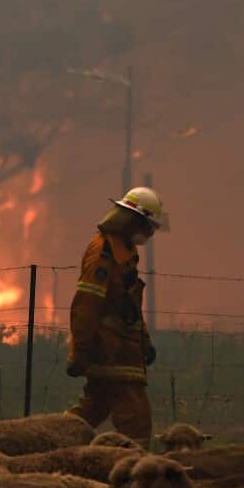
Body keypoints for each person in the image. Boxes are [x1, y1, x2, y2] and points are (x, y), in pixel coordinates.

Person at [65, 186, 163, 447]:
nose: (149, 233)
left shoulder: (125, 252)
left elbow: (129, 305)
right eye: (147, 226)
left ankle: (53, 441)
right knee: (136, 419)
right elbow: (86, 304)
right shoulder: (103, 253)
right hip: (110, 351)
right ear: (131, 221)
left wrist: (145, 341)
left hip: (122, 348)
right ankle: (136, 471)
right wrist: (81, 351)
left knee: (93, 409)